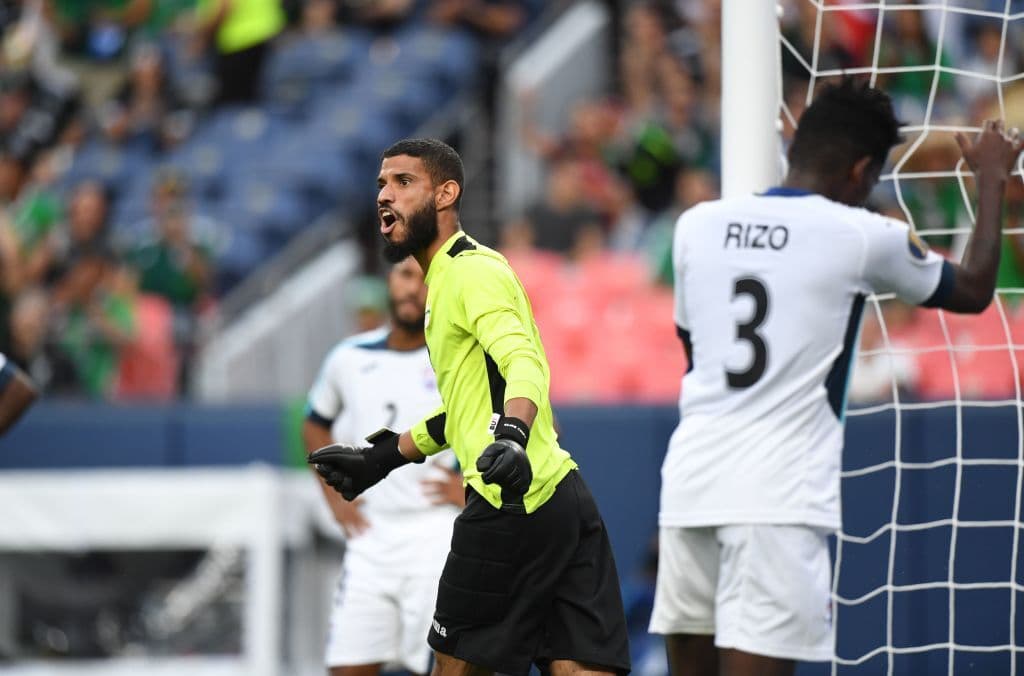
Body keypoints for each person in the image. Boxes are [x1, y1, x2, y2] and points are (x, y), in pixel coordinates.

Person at [649, 79, 1022, 676]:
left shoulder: (697, 225)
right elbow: (976, 288)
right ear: (861, 170)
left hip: (690, 487)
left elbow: (695, 348)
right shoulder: (861, 235)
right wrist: (993, 177)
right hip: (779, 497)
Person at [307, 138, 631, 676]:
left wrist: (513, 437)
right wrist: (385, 457)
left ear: (446, 194)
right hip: (559, 497)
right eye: (381, 184)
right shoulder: (449, 277)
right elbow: (465, 408)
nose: (385, 195)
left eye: (403, 182)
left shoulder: (468, 272)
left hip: (509, 502)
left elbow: (524, 362)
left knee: (454, 668)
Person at [303, 256, 464, 676]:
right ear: (389, 280)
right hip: (371, 535)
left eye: (425, 280)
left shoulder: (460, 356)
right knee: (347, 667)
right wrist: (336, 503)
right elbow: (313, 424)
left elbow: (534, 421)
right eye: (405, 275)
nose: (413, 289)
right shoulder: (348, 356)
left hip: (437, 533)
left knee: (443, 666)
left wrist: (470, 487)